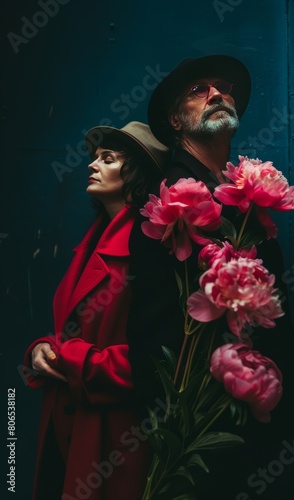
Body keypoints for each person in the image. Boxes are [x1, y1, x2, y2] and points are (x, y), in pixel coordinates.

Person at [147, 55, 294, 499]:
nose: (217, 93)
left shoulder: (244, 200)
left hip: (257, 431)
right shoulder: (169, 198)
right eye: (199, 90)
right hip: (199, 434)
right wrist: (169, 426)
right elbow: (149, 326)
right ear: (176, 121)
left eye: (222, 87)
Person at [23, 121, 184, 500]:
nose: (92, 165)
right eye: (95, 157)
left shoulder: (149, 249)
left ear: (135, 174)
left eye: (107, 159)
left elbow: (158, 361)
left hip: (111, 435)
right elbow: (73, 326)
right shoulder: (93, 238)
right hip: (67, 424)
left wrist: (71, 357)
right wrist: (42, 348)